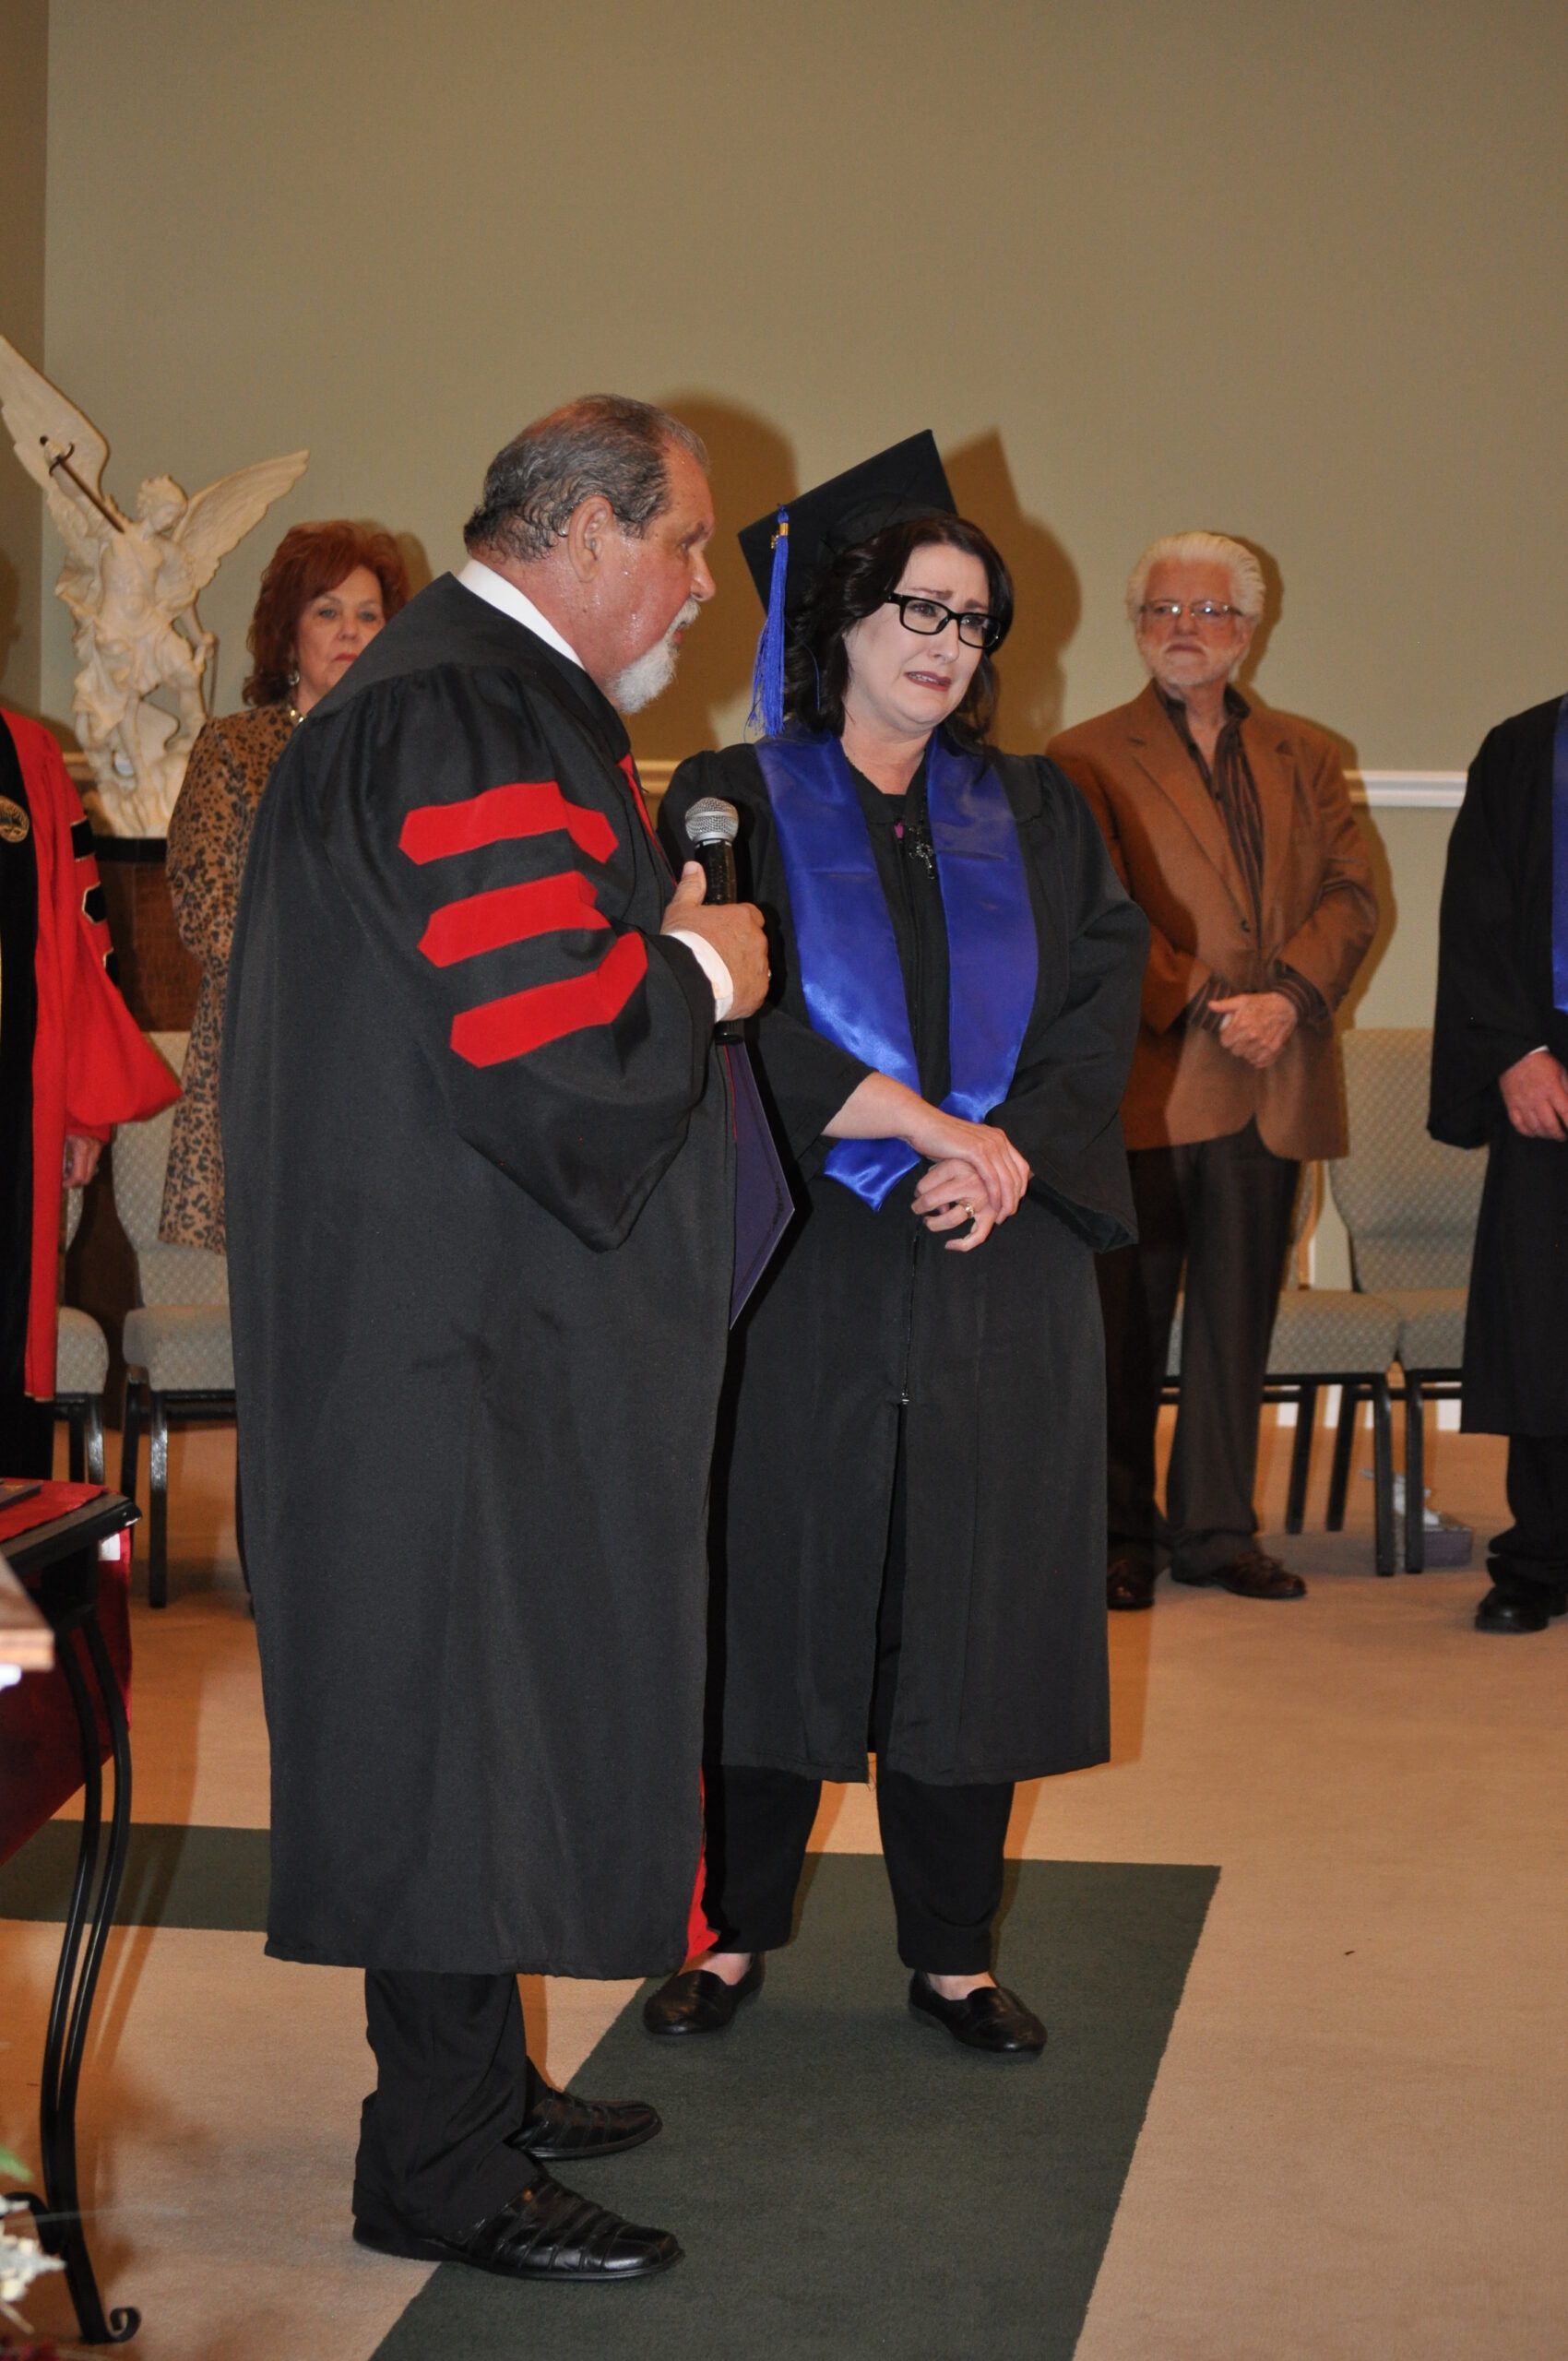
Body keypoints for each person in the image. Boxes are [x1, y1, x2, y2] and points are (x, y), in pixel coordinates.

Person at [220, 396, 769, 2283]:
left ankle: (470, 2090)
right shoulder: (457, 711)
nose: (707, 585)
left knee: (471, 1710)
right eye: (688, 543)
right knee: (447, 1726)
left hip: (451, 1312)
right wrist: (700, 967)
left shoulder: (464, 697)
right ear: (584, 532)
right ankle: (440, 2166)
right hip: (443, 1341)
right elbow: (552, 1045)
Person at [645, 433, 1146, 2057]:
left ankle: (951, 1954)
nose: (946, 644)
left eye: (973, 622)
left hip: (1003, 1259)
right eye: (919, 609)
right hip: (808, 1250)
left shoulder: (1042, 807)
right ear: (843, 617)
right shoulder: (734, 795)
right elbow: (726, 1007)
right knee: (774, 1593)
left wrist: (1006, 1165)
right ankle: (725, 1937)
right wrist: (928, 1131)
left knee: (975, 1609)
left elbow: (1098, 1004)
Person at [1048, 534, 1377, 1610]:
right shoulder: (1081, 756)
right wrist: (1198, 997)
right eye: (1161, 610)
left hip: (1271, 1076)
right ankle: (1115, 1534)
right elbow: (1097, 910)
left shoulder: (1307, 754)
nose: (1183, 629)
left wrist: (1283, 999)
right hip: (1147, 1079)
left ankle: (1215, 1529)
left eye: (1208, 612)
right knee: (1123, 1321)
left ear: (1248, 629)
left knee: (1239, 1317)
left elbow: (1351, 893)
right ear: (1135, 626)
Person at [160, 521, 410, 1251]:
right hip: (274, 1057)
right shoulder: (234, 749)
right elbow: (210, 913)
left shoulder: (412, 754)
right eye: (327, 611)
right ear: (288, 631)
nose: (350, 631)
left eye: (369, 615)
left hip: (389, 1068)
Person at [0, 707, 178, 1476]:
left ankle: (7, 1582)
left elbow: (78, 939)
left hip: (13, 1110)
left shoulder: (27, 755)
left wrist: (84, 1112)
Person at [1430, 694, 1568, 1634]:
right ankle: (1539, 1556)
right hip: (1547, 1065)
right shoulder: (1525, 750)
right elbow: (1475, 910)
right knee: (1544, 1320)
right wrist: (1512, 1052)